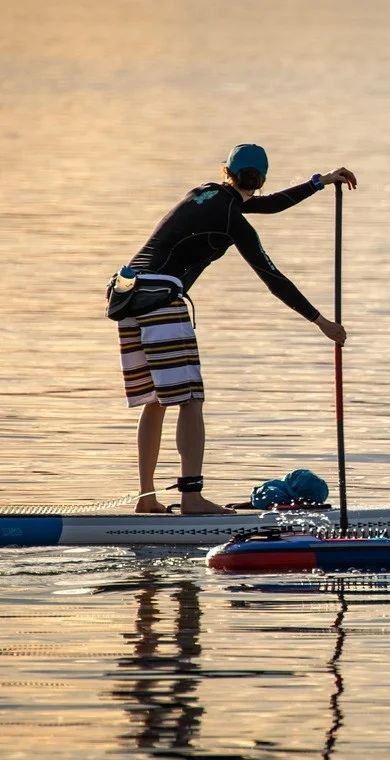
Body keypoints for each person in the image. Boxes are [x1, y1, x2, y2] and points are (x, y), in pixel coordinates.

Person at [114, 143, 355, 514]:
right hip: (161, 301)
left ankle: (147, 499)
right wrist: (320, 321)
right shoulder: (233, 220)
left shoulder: (203, 194)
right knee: (190, 400)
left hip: (126, 297)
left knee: (156, 401)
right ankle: (192, 498)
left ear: (226, 171)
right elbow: (273, 277)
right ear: (261, 180)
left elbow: (267, 205)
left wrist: (319, 182)